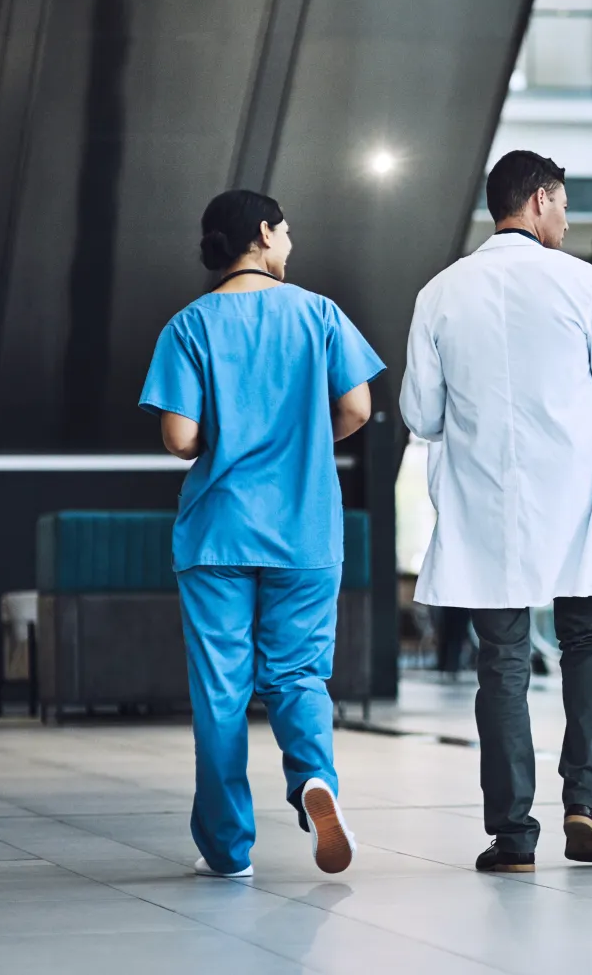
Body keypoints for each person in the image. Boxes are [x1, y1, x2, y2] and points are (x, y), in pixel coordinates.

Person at [400, 150, 592, 873]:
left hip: (491, 508)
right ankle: (584, 802)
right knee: (586, 645)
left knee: (503, 665)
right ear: (540, 200)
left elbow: (420, 413)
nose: (568, 219)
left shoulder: (441, 293)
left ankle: (513, 836)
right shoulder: (579, 282)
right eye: (566, 205)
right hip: (576, 505)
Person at [140, 189, 385, 879]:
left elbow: (180, 436)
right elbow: (358, 409)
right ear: (263, 233)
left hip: (217, 533)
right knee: (298, 672)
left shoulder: (189, 326)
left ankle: (227, 849)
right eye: (286, 230)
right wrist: (304, 437)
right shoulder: (320, 314)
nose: (291, 243)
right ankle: (315, 783)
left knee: (220, 690)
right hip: (305, 528)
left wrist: (226, 441)